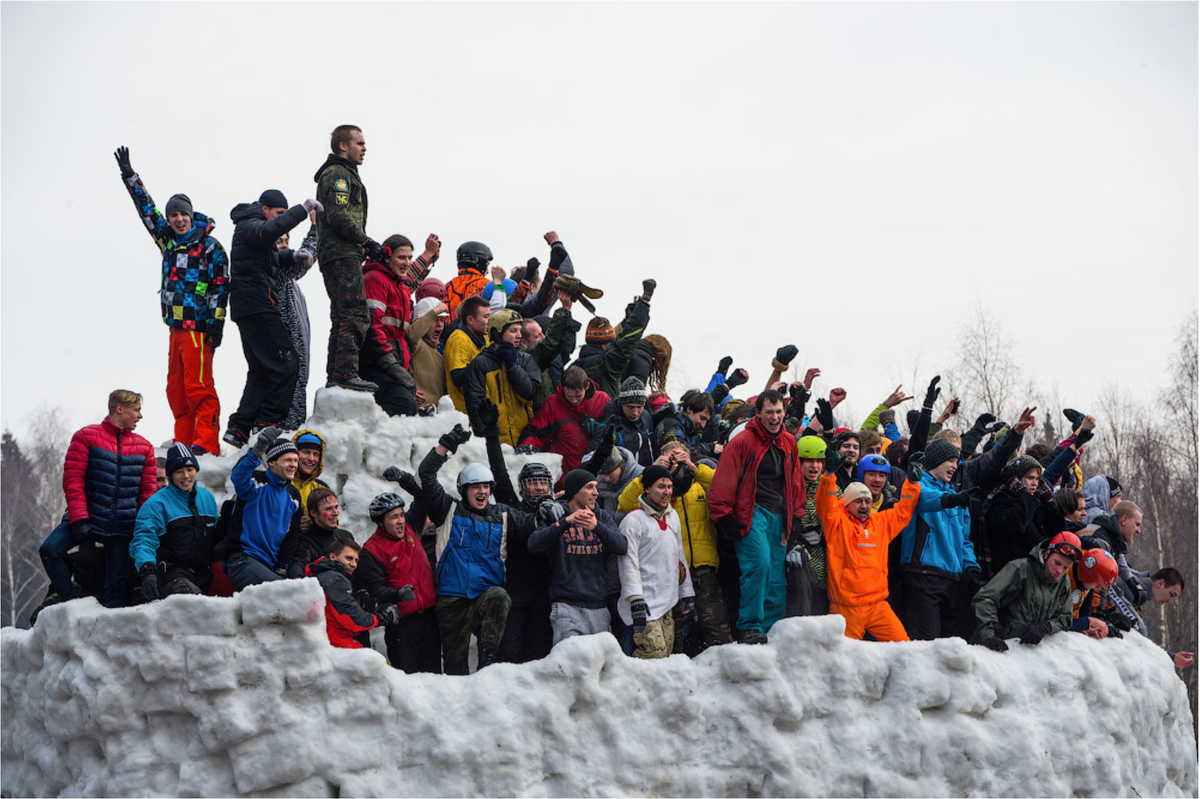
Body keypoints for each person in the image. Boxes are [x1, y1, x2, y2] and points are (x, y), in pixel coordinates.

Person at [114, 147, 229, 455]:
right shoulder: (168, 241)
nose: (179, 219)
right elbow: (147, 211)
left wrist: (216, 323)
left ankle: (206, 443)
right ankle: (185, 442)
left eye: (183, 214)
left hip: (198, 326)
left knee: (198, 388)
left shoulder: (209, 246)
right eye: (174, 215)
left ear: (192, 216)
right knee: (176, 391)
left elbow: (221, 285)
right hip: (175, 325)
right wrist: (130, 177)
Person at [417, 424, 537, 674]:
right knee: (455, 668)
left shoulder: (503, 515)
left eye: (485, 487)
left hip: (485, 597)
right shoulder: (447, 510)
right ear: (464, 490)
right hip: (451, 599)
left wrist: (548, 509)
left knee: (499, 596)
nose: (482, 491)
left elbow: (532, 525)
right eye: (475, 487)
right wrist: (447, 444)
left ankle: (488, 659)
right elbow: (426, 476)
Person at [708, 390, 806, 645]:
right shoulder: (742, 441)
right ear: (759, 413)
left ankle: (771, 628)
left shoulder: (789, 442)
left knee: (775, 574)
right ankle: (750, 626)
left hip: (779, 515)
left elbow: (796, 481)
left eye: (778, 412)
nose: (774, 417)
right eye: (769, 412)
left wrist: (796, 514)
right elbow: (724, 479)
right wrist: (724, 515)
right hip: (751, 514)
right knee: (759, 565)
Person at [42, 390, 157, 608]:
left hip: (122, 526)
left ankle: (111, 634)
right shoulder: (86, 437)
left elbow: (147, 494)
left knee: (115, 585)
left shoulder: (145, 448)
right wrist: (79, 520)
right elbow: (73, 481)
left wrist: (141, 528)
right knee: (49, 550)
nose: (140, 416)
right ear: (120, 408)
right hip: (89, 517)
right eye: (137, 410)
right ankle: (71, 605)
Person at [224, 190, 322, 445]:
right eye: (279, 215)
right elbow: (268, 234)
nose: (281, 220)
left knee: (260, 370)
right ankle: (270, 421)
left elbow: (273, 257)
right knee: (287, 363)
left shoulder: (254, 236)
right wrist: (302, 211)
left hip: (250, 307)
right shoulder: (251, 226)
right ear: (265, 209)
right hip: (259, 306)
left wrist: (294, 255)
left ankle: (240, 427)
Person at [618, 443, 731, 653]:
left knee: (716, 624)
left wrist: (692, 466)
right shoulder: (662, 495)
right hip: (673, 574)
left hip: (704, 566)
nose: (666, 491)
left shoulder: (698, 484)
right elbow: (624, 504)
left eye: (680, 460)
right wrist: (653, 471)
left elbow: (725, 486)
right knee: (675, 634)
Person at [814, 448, 922, 642]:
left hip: (878, 606)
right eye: (858, 502)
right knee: (846, 659)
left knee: (904, 648)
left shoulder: (881, 523)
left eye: (867, 501)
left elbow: (904, 511)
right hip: (845, 608)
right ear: (846, 504)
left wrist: (912, 483)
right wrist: (829, 475)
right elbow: (825, 502)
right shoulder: (836, 524)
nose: (864, 506)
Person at [313, 124, 381, 392]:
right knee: (353, 312)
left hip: (342, 252)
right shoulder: (338, 175)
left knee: (343, 315)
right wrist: (365, 241)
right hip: (341, 253)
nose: (364, 149)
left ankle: (337, 374)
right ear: (343, 145)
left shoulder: (344, 174)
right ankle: (345, 373)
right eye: (359, 143)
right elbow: (339, 215)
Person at [897, 437, 984, 640]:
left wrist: (971, 567)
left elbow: (964, 539)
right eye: (951, 461)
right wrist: (950, 500)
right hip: (923, 577)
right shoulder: (915, 485)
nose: (955, 466)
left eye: (957, 461)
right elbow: (923, 499)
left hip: (953, 580)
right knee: (927, 645)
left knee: (953, 645)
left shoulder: (956, 494)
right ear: (936, 460)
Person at [529, 470, 629, 646]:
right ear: (575, 491)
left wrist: (597, 527)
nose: (596, 493)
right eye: (589, 487)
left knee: (599, 662)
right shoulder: (558, 515)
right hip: (566, 605)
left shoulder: (602, 516)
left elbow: (621, 546)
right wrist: (565, 522)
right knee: (570, 663)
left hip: (598, 603)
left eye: (596, 488)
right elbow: (534, 544)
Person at [617, 464, 695, 658]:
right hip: (644, 602)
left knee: (667, 653)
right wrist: (635, 599)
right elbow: (628, 563)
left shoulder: (672, 516)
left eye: (669, 486)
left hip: (668, 600)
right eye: (661, 487)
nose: (667, 492)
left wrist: (686, 593)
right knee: (654, 652)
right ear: (647, 489)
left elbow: (680, 557)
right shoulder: (633, 520)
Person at [357, 492, 438, 673]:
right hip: (402, 625)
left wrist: (404, 479)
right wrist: (398, 594)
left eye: (401, 515)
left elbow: (422, 495)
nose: (401, 521)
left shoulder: (411, 527)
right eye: (394, 517)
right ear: (380, 522)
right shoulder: (371, 550)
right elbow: (377, 589)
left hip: (429, 618)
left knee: (433, 677)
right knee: (406, 679)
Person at [130, 443, 220, 599]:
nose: (186, 476)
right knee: (193, 602)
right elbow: (144, 540)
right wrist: (148, 570)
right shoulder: (156, 504)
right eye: (179, 472)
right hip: (171, 573)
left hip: (203, 572)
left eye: (190, 470)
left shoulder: (207, 497)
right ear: (170, 475)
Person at [970, 532, 1083, 652]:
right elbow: (984, 599)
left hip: (1026, 651)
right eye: (1057, 563)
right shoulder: (1020, 569)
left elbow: (1065, 617)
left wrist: (1046, 627)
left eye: (1066, 568)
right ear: (1047, 554)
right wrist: (989, 635)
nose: (1059, 571)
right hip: (995, 646)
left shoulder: (1063, 581)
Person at [222, 429, 302, 590]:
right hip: (242, 558)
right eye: (288, 460)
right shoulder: (256, 481)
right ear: (272, 462)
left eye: (295, 460)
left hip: (269, 565)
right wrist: (257, 451)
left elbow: (291, 538)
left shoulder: (293, 495)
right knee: (284, 593)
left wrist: (282, 566)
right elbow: (238, 475)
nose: (293, 465)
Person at [362, 234, 429, 417]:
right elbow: (373, 328)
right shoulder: (375, 280)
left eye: (410, 258)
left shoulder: (399, 286)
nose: (407, 263)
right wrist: (394, 368)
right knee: (404, 406)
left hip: (395, 364)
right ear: (387, 257)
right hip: (378, 366)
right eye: (401, 257)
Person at [518, 366, 611, 482]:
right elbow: (537, 431)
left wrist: (598, 427)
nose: (573, 401)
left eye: (578, 396)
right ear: (562, 388)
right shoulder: (553, 404)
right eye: (569, 396)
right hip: (564, 473)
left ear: (586, 386)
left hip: (596, 471)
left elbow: (614, 430)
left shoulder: (602, 400)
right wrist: (527, 445)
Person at [464, 309, 542, 446]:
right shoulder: (480, 364)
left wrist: (512, 365)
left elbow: (530, 393)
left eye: (520, 331)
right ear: (497, 333)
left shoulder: (526, 360)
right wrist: (489, 438)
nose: (519, 336)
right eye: (513, 331)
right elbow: (475, 406)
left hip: (524, 442)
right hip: (496, 444)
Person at [308, 538, 399, 650]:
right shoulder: (336, 579)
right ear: (333, 557)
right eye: (349, 558)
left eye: (356, 560)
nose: (353, 564)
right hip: (338, 645)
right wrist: (380, 618)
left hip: (327, 642)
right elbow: (353, 619)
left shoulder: (322, 574)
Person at [572, 280, 655, 398]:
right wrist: (644, 302)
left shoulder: (575, 367)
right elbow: (627, 340)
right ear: (605, 343)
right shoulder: (607, 362)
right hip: (607, 415)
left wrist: (631, 316)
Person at [274, 223, 319, 429]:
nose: (284, 246)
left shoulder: (293, 285)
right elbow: (304, 261)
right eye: (278, 242)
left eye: (286, 241)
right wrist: (315, 230)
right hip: (283, 355)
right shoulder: (275, 272)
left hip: (299, 358)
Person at [286, 487, 354, 579]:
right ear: (313, 513)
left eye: (336, 507)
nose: (335, 513)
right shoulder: (307, 543)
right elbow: (297, 567)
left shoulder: (346, 536)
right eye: (329, 509)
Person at [590, 377, 656, 467]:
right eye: (630, 407)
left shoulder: (646, 416)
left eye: (639, 407)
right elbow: (593, 460)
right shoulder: (609, 426)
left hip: (648, 474)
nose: (635, 413)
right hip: (625, 479)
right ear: (621, 403)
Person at [444, 296, 490, 413]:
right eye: (486, 317)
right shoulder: (458, 339)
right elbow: (458, 377)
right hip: (465, 415)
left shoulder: (485, 337)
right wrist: (485, 360)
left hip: (484, 411)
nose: (490, 321)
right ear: (470, 320)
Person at [407, 297, 450, 408]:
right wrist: (434, 312)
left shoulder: (439, 355)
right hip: (419, 417)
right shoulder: (417, 345)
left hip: (435, 417)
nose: (440, 325)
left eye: (442, 320)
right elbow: (411, 336)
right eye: (435, 320)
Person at [445, 241, 493, 320]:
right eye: (487, 265)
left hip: (449, 332)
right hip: (476, 332)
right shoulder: (486, 285)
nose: (487, 271)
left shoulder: (446, 287)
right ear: (480, 262)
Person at [291, 430, 331, 525]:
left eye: (315, 454)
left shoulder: (321, 488)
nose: (311, 458)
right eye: (306, 452)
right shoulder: (277, 481)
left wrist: (315, 525)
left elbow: (332, 524)